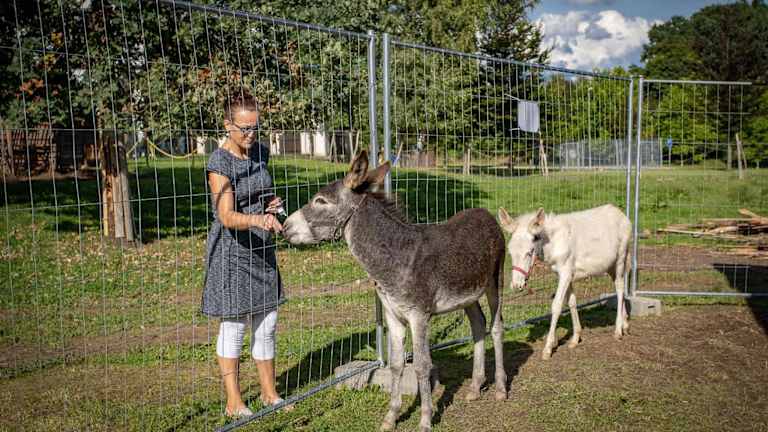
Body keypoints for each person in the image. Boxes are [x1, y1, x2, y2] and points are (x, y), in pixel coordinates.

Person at [201, 92, 287, 417]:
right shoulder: (219, 163)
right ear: (227, 125)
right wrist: (257, 219)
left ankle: (269, 394)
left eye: (255, 127)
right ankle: (234, 401)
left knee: (268, 321)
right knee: (235, 325)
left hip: (261, 248)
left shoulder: (260, 152)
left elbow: (259, 191)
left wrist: (270, 204)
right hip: (232, 251)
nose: (251, 134)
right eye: (244, 128)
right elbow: (225, 215)